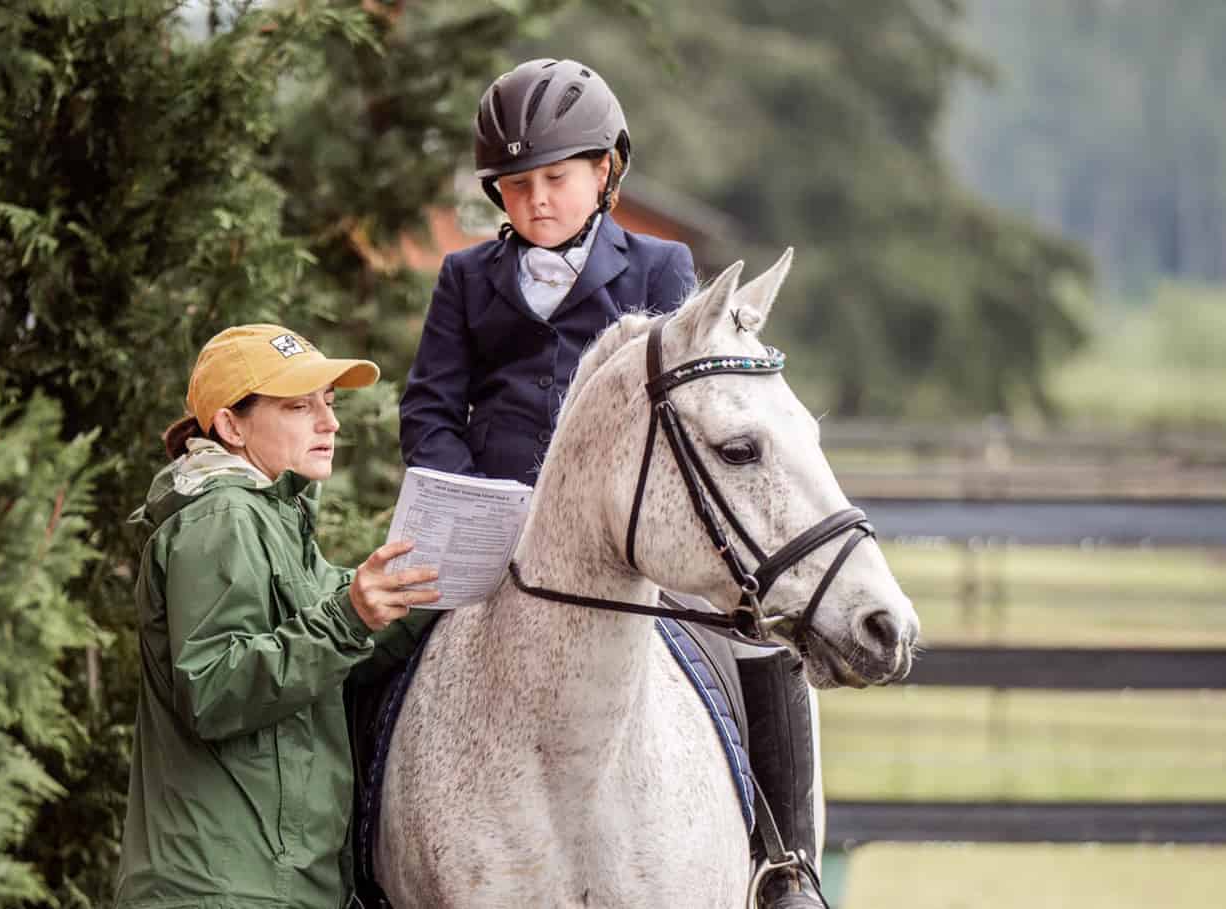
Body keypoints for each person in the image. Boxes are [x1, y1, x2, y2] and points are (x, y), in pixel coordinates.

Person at [399, 58, 828, 908]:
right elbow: (431, 410)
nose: (536, 202)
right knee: (385, 648)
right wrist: (469, 498)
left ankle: (786, 865)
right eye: (515, 186)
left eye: (555, 178)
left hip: (632, 534)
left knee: (757, 643)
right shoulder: (465, 279)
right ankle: (352, 855)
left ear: (605, 172)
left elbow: (688, 406)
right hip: (496, 531)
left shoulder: (662, 268)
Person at [115, 324, 438, 909]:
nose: (329, 423)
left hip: (269, 886)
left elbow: (348, 641)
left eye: (330, 404)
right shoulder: (221, 519)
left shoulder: (276, 522)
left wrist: (433, 588)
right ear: (231, 426)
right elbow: (212, 689)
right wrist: (349, 619)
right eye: (298, 407)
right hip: (220, 889)